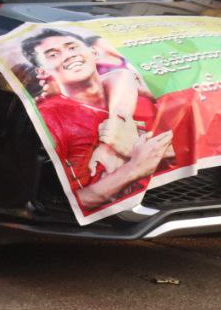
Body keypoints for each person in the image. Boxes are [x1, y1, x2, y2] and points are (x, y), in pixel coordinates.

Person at [20, 28, 170, 211]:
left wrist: (125, 147)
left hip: (178, 196)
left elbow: (189, 144)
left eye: (72, 47)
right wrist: (134, 169)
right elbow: (71, 203)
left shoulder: (140, 94)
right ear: (42, 71)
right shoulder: (52, 119)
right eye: (53, 55)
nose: (68, 55)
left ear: (93, 52)